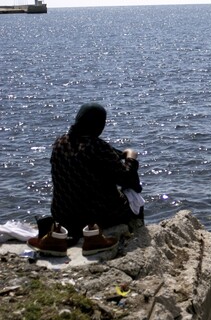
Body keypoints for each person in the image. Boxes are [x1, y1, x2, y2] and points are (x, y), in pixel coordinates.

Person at [27, 103, 144, 256]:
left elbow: (99, 155)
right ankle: (137, 233)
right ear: (99, 125)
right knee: (134, 194)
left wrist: (116, 154)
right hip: (97, 216)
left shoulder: (60, 142)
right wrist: (131, 158)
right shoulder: (97, 147)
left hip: (63, 216)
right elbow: (127, 179)